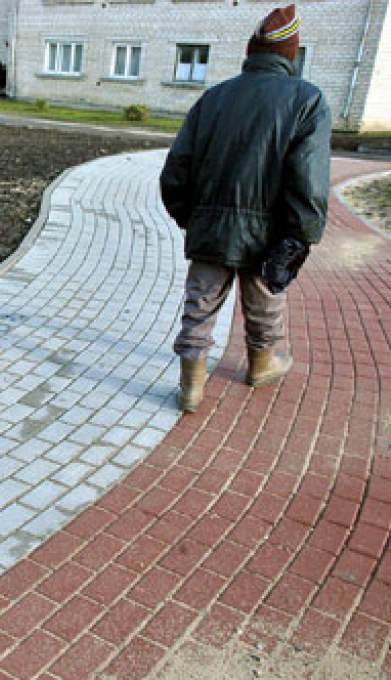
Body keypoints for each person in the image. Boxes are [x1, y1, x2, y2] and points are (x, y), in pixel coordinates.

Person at [159, 4, 331, 413]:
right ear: (291, 52)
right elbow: (308, 179)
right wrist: (299, 236)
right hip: (268, 230)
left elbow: (175, 171)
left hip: (211, 227)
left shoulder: (214, 97)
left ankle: (191, 391)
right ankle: (261, 366)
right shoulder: (307, 100)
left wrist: (193, 217)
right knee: (265, 299)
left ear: (252, 51)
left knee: (199, 304)